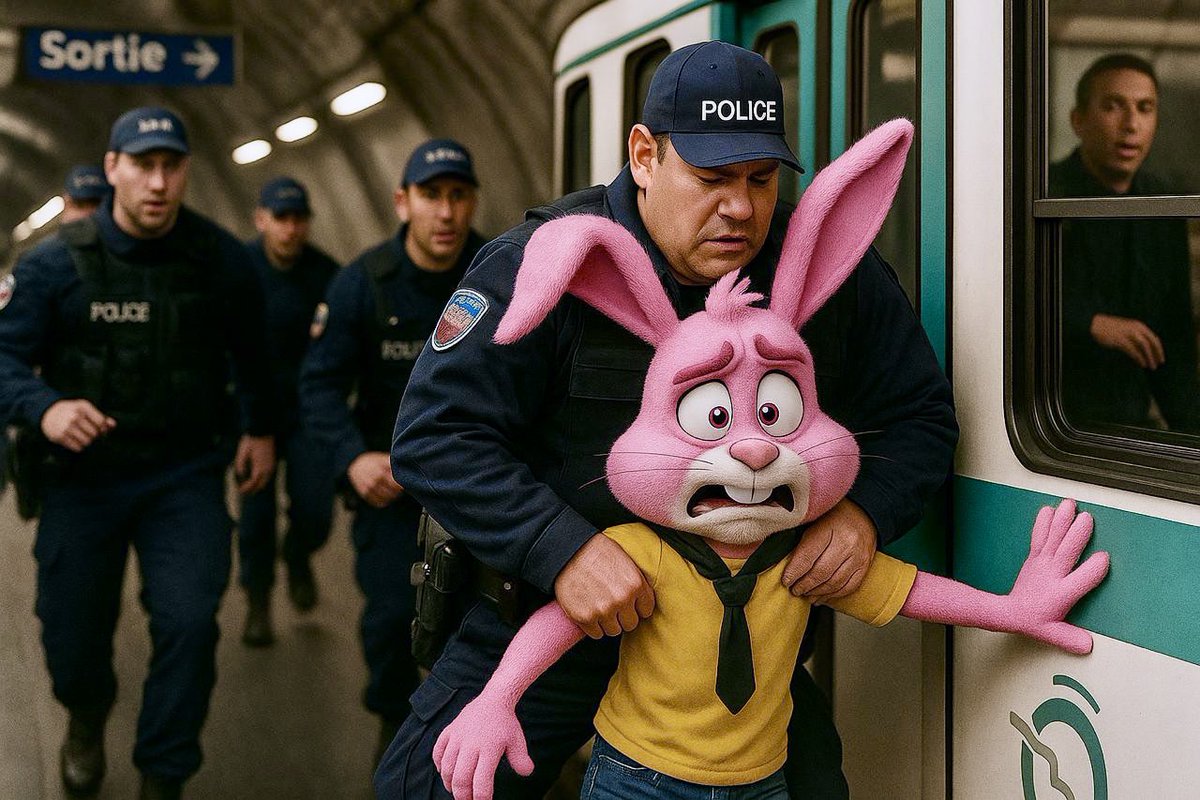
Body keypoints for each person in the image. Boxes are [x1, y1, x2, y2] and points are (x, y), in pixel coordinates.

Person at [379, 41, 957, 800]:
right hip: (548, 617)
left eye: (760, 179)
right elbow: (435, 435)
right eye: (712, 179)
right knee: (429, 789)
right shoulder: (550, 262)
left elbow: (920, 415)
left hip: (731, 644)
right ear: (644, 156)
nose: (741, 208)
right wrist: (562, 550)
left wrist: (865, 515)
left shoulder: (819, 267)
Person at [0, 106, 275, 800]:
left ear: (185, 171)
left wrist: (260, 428)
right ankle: (85, 716)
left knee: (189, 622)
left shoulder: (221, 260)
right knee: (72, 631)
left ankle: (164, 772)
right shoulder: (54, 266)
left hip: (183, 474)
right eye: (142, 165)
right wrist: (45, 407)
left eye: (171, 166)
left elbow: (256, 353)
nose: (157, 182)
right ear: (113, 167)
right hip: (82, 481)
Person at [299, 138, 486, 761]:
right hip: (390, 494)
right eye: (431, 196)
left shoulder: (502, 273)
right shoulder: (363, 283)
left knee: (478, 622)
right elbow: (320, 385)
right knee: (390, 619)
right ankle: (393, 722)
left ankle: (463, 740)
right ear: (402, 202)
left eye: (458, 195)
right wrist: (352, 458)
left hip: (477, 490)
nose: (446, 212)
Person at [1050, 53, 1200, 432]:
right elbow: (1004, 302)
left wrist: (1189, 436)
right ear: (1078, 120)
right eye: (1113, 106)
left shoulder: (1164, 202)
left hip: (1131, 426)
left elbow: (1175, 336)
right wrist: (1091, 324)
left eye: (1145, 108)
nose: (1131, 124)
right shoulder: (1045, 194)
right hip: (1050, 424)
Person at [238, 176, 340, 647]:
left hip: (306, 415)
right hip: (252, 414)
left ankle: (298, 553)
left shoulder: (327, 276)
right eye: (281, 218)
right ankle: (258, 602)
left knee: (316, 509)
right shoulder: (238, 271)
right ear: (261, 220)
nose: (291, 228)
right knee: (255, 514)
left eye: (299, 218)